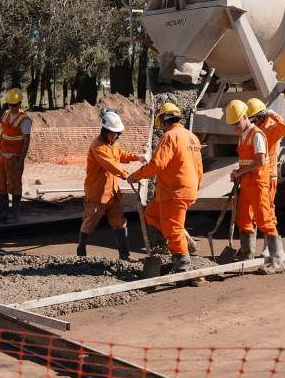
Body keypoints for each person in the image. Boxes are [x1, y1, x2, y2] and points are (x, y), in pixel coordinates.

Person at [127, 102, 203, 273]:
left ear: (163, 120)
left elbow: (156, 165)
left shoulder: (170, 136)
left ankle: (183, 266)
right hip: (181, 189)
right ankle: (180, 241)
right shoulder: (192, 136)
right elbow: (199, 166)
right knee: (151, 214)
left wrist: (135, 175)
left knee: (172, 227)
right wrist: (196, 186)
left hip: (175, 191)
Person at [76, 109, 145, 259]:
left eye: (117, 134)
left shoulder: (113, 144)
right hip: (97, 193)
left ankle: (124, 255)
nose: (116, 136)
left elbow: (121, 155)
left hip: (113, 193)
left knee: (120, 222)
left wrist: (137, 157)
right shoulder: (97, 146)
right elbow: (110, 165)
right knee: (90, 222)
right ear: (104, 130)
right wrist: (128, 175)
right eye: (113, 133)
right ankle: (81, 249)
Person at [226, 99, 285, 274]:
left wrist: (240, 172)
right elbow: (246, 161)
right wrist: (238, 172)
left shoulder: (257, 134)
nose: (235, 127)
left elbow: (259, 162)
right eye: (233, 124)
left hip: (259, 184)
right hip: (246, 183)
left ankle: (277, 262)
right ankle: (247, 254)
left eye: (237, 123)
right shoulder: (242, 136)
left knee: (265, 220)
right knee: (243, 218)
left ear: (245, 117)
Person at [0, 88, 32, 223]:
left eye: (14, 105)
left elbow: (26, 141)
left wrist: (21, 160)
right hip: (2, 156)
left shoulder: (24, 120)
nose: (12, 107)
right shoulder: (5, 115)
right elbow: (3, 134)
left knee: (15, 185)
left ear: (20, 104)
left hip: (14, 158)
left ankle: (14, 214)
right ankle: (2, 211)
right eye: (9, 104)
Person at [245, 98, 285, 203]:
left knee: (266, 207)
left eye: (252, 120)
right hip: (255, 173)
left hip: (268, 174)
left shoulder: (273, 128)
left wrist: (273, 114)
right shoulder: (254, 129)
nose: (251, 123)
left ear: (260, 116)